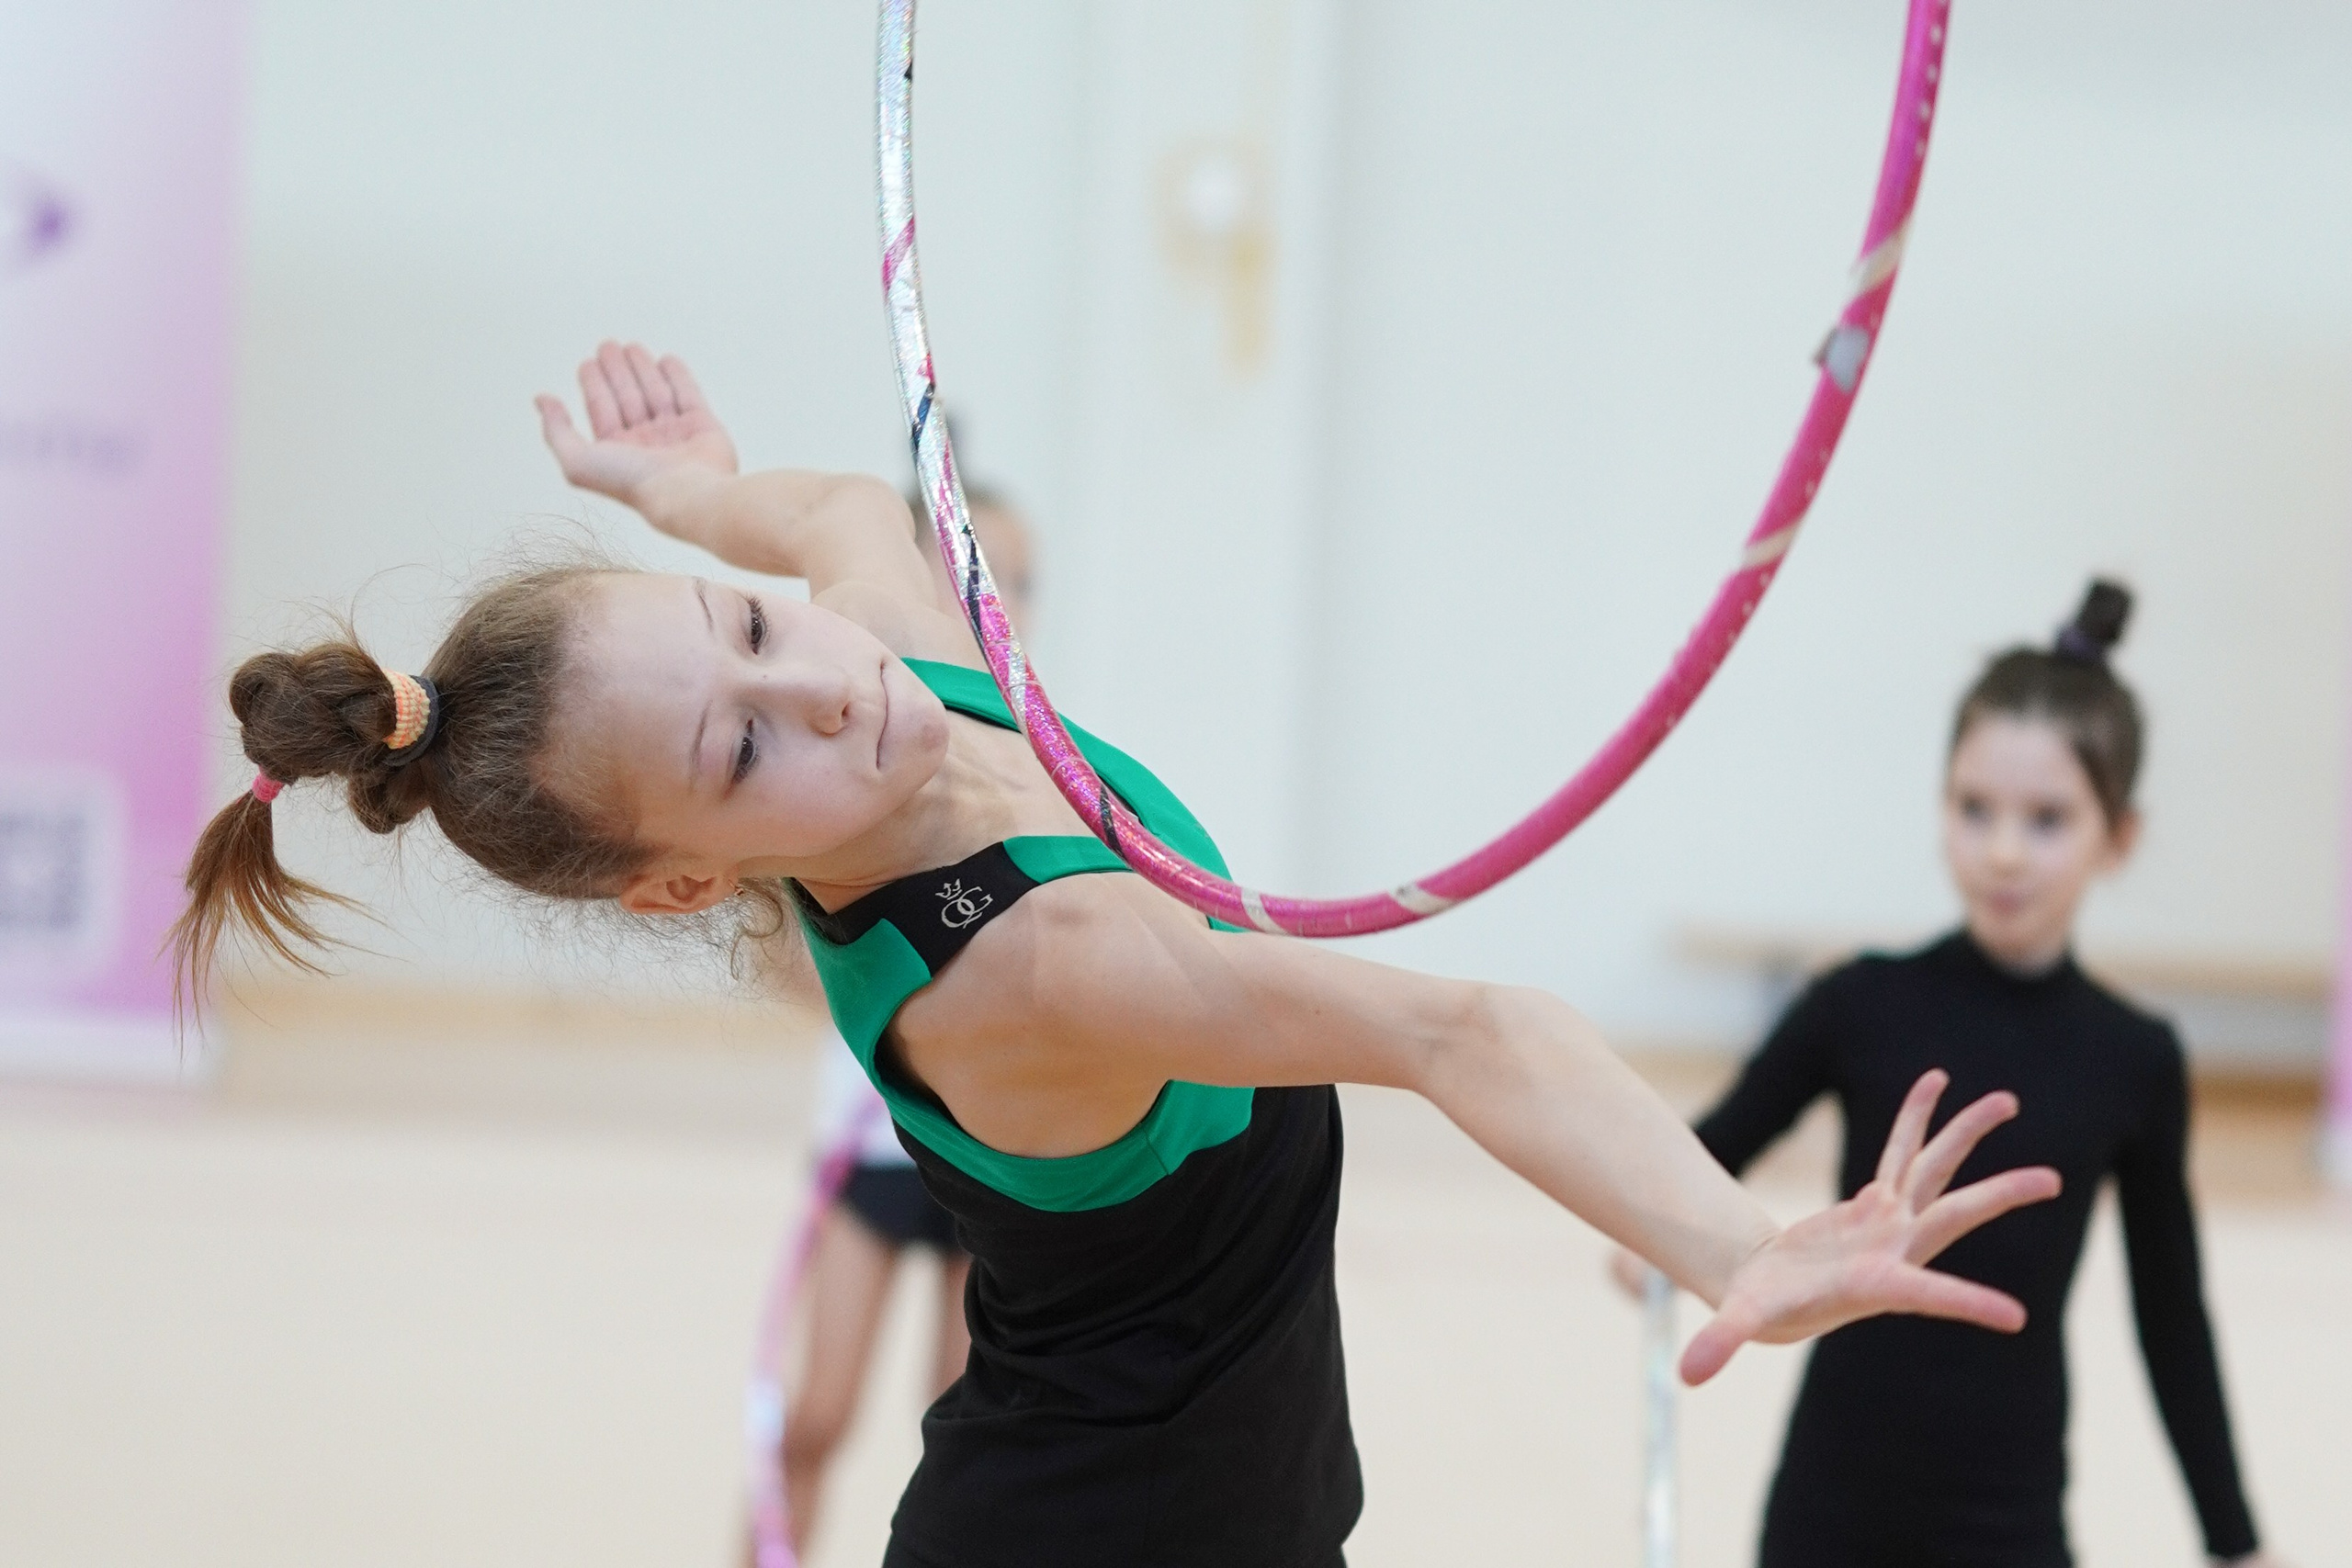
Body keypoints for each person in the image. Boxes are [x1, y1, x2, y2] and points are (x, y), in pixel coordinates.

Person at [175, 339, 2063, 1568]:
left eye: (745, 626)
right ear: (682, 887)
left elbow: (835, 521)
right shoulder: (1041, 962)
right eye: (741, 744)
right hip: (1118, 1521)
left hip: (1214, 1466)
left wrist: (682, 499)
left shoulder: (880, 654)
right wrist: (1732, 1241)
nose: (816, 683)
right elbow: (1458, 1026)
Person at [1614, 582, 2280, 1568]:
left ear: (2119, 838)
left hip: (2007, 1516)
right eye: (1975, 809)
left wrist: (2232, 1538)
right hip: (1829, 1506)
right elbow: (1715, 1144)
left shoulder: (2134, 1056)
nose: (2002, 850)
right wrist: (1649, 1231)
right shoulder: (1858, 1001)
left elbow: (2169, 1311)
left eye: (2046, 818)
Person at [763, 483, 1035, 1557]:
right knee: (813, 1417)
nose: (994, 600)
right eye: (973, 574)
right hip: (870, 1155)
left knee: (964, 1436)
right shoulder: (866, 740)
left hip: (995, 1159)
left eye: (1014, 579)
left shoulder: (1035, 760)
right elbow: (799, 964)